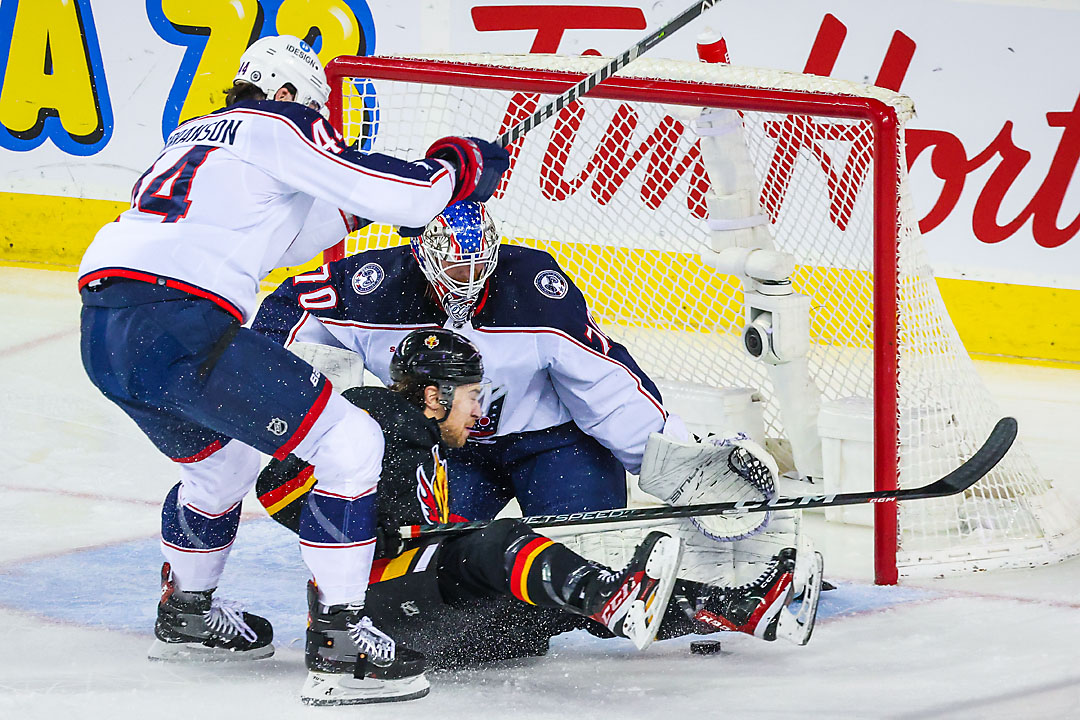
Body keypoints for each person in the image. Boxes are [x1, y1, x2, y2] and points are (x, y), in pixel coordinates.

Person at [76, 34, 509, 703]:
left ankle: (187, 609)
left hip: (106, 329)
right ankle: (341, 650)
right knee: (351, 442)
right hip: (180, 319)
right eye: (316, 112)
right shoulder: (281, 120)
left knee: (221, 467)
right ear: (285, 95)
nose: (321, 127)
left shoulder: (198, 136)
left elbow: (290, 229)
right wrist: (451, 170)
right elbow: (411, 196)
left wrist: (375, 204)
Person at [257, 328, 807, 678]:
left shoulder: (434, 450)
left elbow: (430, 528)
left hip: (438, 629)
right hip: (368, 615)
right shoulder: (369, 411)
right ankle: (613, 598)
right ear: (433, 395)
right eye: (472, 396)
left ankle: (744, 610)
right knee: (499, 543)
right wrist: (360, 525)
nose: (480, 412)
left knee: (567, 591)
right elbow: (274, 488)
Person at [253, 199, 684, 521]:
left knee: (588, 562)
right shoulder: (376, 289)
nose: (470, 283)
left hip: (554, 444)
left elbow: (605, 384)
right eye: (457, 271)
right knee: (436, 574)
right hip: (450, 450)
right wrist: (325, 417)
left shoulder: (533, 289)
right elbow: (289, 314)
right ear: (423, 255)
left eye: (480, 267)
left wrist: (675, 468)